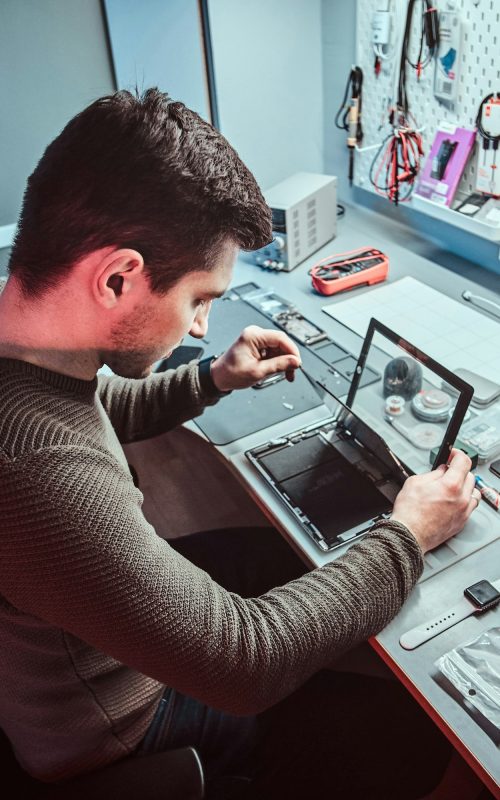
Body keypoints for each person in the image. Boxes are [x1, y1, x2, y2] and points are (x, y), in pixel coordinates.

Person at [0, 88, 481, 799]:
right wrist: (408, 533)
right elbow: (244, 663)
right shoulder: (36, 472)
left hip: (94, 640)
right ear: (118, 277)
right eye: (198, 300)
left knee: (271, 556)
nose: (200, 329)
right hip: (125, 729)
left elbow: (90, 405)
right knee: (416, 733)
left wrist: (212, 381)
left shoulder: (31, 352)